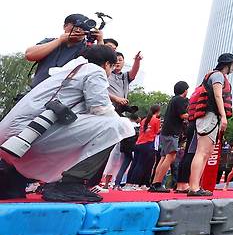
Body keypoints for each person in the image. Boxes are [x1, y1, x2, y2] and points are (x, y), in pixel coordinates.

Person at [0, 45, 133, 202]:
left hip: (17, 137)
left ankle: (11, 179)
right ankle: (70, 184)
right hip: (27, 134)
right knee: (119, 125)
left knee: (101, 125)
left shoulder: (71, 69)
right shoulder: (96, 71)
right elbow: (100, 109)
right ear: (106, 64)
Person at [188, 53, 233, 196]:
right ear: (227, 64)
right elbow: (218, 95)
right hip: (209, 115)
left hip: (211, 117)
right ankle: (193, 187)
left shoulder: (217, 76)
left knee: (206, 152)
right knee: (202, 151)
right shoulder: (217, 76)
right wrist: (224, 116)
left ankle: (196, 186)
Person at [25, 14, 104, 88]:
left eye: (83, 28)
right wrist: (60, 40)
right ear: (65, 26)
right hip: (37, 90)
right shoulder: (50, 41)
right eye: (75, 26)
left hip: (66, 96)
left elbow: (102, 68)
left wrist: (100, 41)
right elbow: (30, 55)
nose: (78, 30)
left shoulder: (88, 48)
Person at [150, 81, 190, 192]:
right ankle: (157, 183)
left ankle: (154, 183)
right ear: (185, 90)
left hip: (166, 132)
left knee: (163, 157)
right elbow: (183, 115)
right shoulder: (180, 100)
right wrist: (195, 115)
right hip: (172, 132)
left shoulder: (173, 100)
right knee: (170, 157)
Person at [125, 105, 161, 189]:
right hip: (148, 143)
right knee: (142, 164)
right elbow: (156, 132)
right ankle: (135, 183)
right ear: (158, 111)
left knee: (135, 164)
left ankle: (129, 183)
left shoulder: (144, 120)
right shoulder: (156, 120)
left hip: (138, 143)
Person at [114, 113, 140, 189]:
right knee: (134, 165)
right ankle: (130, 183)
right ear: (137, 118)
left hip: (124, 147)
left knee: (123, 165)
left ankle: (117, 183)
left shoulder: (125, 125)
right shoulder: (137, 127)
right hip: (133, 148)